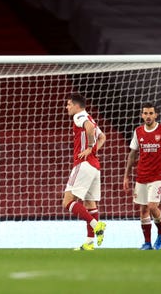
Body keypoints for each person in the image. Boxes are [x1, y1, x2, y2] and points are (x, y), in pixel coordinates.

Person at [123, 102, 161, 250]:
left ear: (156, 115)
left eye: (151, 113)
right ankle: (147, 242)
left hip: (159, 175)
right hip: (142, 175)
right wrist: (126, 176)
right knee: (143, 210)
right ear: (141, 115)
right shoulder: (138, 132)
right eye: (145, 113)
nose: (148, 116)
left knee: (152, 206)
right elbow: (132, 155)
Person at [63, 93, 107, 251]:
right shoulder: (91, 117)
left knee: (67, 201)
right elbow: (103, 137)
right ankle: (89, 242)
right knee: (89, 204)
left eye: (69, 104)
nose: (67, 107)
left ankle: (97, 225)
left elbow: (88, 127)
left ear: (76, 105)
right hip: (95, 166)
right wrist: (94, 150)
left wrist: (89, 148)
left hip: (83, 164)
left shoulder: (79, 117)